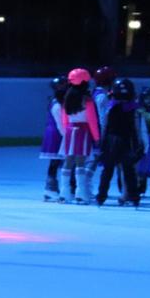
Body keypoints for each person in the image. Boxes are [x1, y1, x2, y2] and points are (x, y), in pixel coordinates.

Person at [95, 78, 143, 207]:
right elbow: (137, 128)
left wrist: (101, 143)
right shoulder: (134, 108)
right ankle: (134, 196)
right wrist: (139, 144)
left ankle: (101, 196)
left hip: (112, 141)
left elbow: (105, 126)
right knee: (128, 171)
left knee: (108, 170)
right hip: (127, 141)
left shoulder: (111, 107)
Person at [58, 68, 100, 204]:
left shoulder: (67, 99)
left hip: (70, 130)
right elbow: (92, 121)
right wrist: (97, 137)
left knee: (68, 160)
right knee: (80, 161)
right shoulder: (87, 100)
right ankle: (80, 192)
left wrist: (66, 133)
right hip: (83, 130)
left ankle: (64, 192)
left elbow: (64, 120)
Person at [39, 76, 68, 201]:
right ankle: (51, 188)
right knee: (56, 162)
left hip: (56, 132)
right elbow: (60, 123)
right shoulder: (57, 104)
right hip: (57, 134)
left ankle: (52, 188)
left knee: (56, 162)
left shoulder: (58, 102)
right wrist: (67, 136)